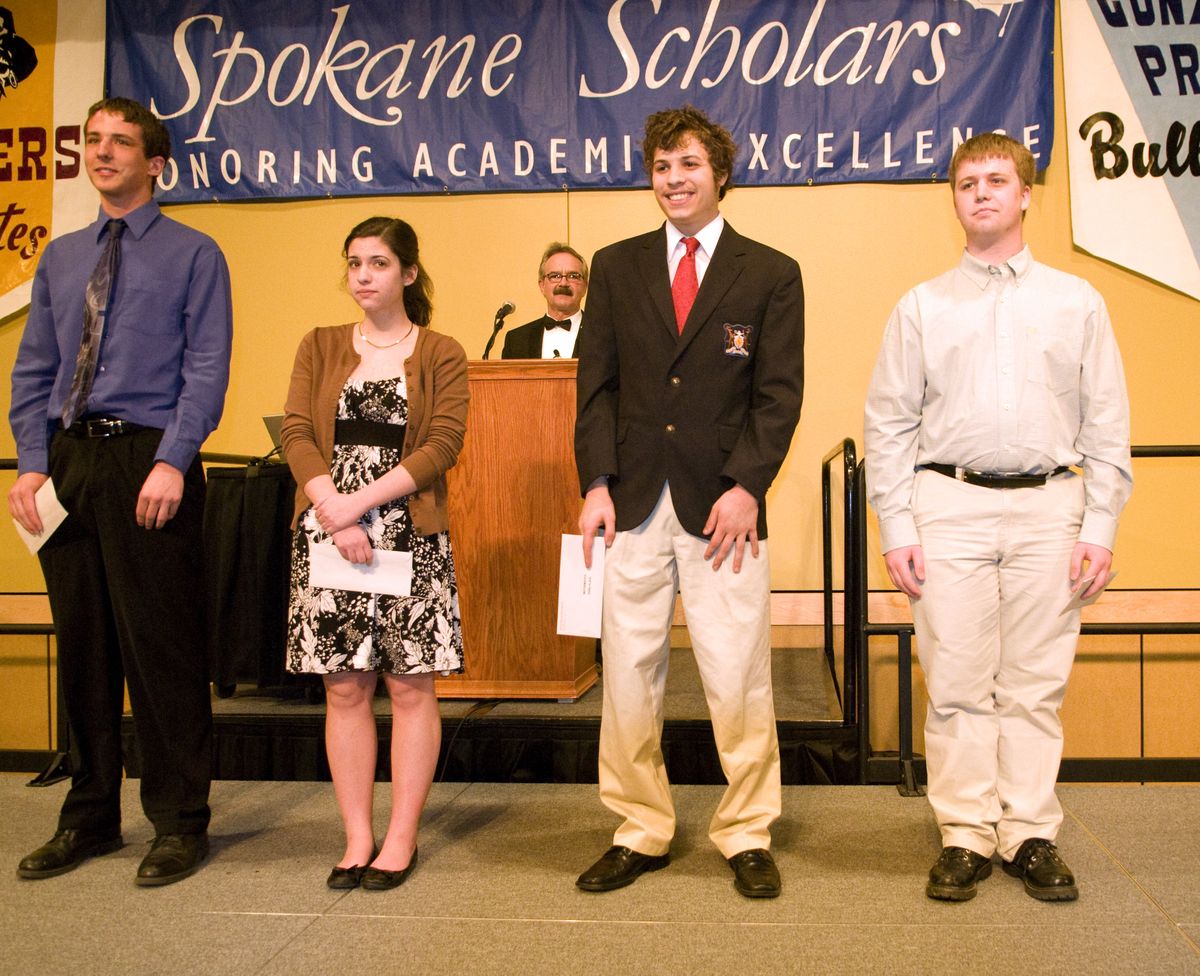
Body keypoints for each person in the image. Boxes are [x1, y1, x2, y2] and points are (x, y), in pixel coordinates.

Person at [864, 132, 1132, 903]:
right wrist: (898, 527)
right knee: (954, 681)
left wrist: (1099, 526)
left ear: (1023, 195)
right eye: (966, 182)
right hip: (947, 506)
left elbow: (1107, 424)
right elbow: (888, 426)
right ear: (955, 200)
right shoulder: (921, 307)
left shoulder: (1076, 302)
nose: (980, 192)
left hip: (1052, 505)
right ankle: (964, 833)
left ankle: (1029, 832)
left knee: (1034, 684)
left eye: (996, 180)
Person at [574, 106, 804, 899]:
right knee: (629, 676)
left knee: (738, 674)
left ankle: (745, 831)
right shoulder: (615, 264)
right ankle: (640, 828)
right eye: (662, 166)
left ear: (720, 172)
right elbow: (595, 386)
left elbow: (777, 395)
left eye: (689, 165)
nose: (674, 179)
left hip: (723, 509)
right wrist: (595, 483)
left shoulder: (770, 271)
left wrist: (749, 485)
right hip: (631, 501)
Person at [9, 97, 232, 886]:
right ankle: (90, 814)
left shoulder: (194, 253)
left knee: (161, 650)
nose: (102, 154)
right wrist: (32, 461)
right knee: (85, 646)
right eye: (93, 142)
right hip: (69, 462)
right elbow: (35, 368)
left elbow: (206, 366)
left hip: (150, 460)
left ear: (156, 163)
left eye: (121, 143)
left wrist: (174, 460)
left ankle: (179, 820)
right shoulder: (63, 258)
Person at [281, 216, 469, 891]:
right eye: (354, 262)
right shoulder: (321, 344)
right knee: (344, 686)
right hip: (329, 530)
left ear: (408, 274)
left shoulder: (440, 350)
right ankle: (356, 835)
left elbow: (441, 445)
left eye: (379, 263)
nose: (363, 275)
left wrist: (357, 507)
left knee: (411, 686)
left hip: (406, 532)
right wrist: (334, 509)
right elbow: (297, 430)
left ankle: (400, 836)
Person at [501, 243, 588, 359]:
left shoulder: (605, 336)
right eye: (555, 276)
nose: (563, 283)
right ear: (542, 285)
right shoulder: (517, 340)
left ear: (585, 287)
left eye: (573, 276)